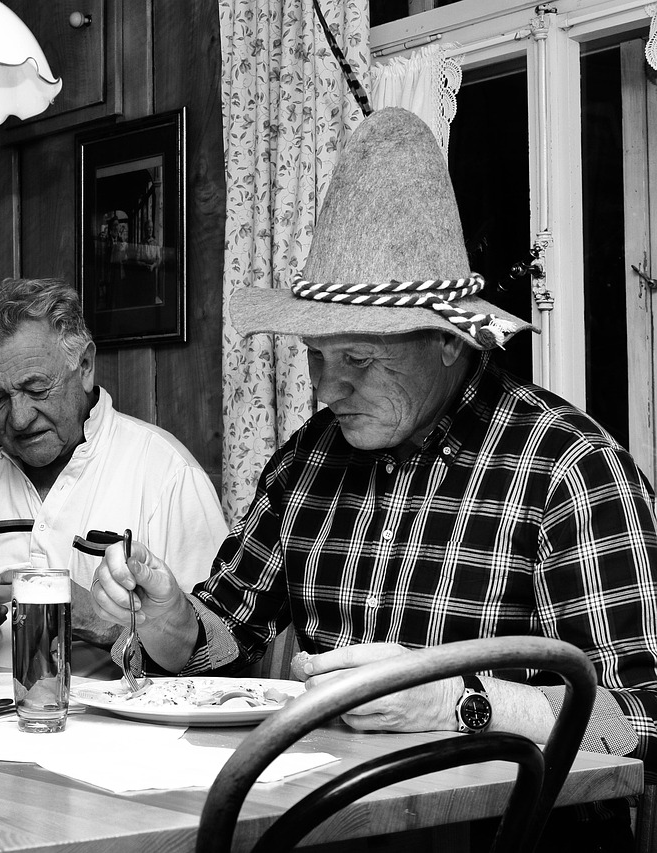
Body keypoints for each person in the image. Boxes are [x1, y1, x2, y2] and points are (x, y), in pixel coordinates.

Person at [89, 107, 657, 848]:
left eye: (358, 359)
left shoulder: (568, 468)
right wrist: (170, 619)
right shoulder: (309, 458)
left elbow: (643, 716)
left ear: (448, 343)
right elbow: (225, 638)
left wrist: (458, 700)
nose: (327, 389)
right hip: (331, 829)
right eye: (315, 357)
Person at [0, 277, 228, 676]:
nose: (19, 418)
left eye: (36, 389)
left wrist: (104, 622)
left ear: (84, 366)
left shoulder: (165, 472)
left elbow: (213, 657)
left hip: (113, 716)